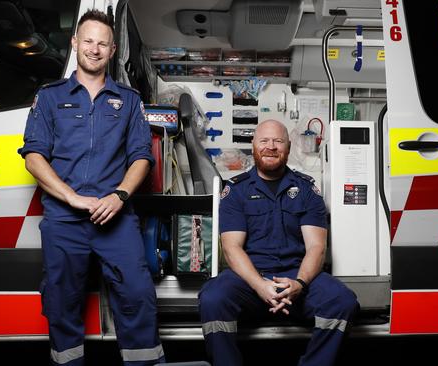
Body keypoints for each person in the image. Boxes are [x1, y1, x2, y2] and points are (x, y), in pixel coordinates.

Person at [18, 9, 165, 366]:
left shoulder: (129, 102)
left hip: (115, 217)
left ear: (113, 50)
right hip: (64, 219)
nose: (94, 49)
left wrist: (119, 196)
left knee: (137, 294)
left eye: (103, 43)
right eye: (88, 41)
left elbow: (141, 158)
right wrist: (70, 197)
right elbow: (34, 157)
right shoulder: (50, 96)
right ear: (74, 44)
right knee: (60, 301)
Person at [199, 119, 358, 366]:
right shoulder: (236, 191)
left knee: (342, 301)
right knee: (213, 298)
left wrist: (300, 283)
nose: (270, 147)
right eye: (264, 140)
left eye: (278, 141)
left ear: (288, 146)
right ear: (253, 145)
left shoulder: (306, 190)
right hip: (249, 280)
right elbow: (232, 248)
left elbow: (317, 247)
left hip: (296, 277)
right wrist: (260, 286)